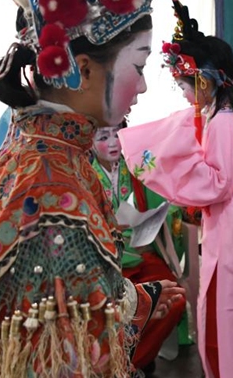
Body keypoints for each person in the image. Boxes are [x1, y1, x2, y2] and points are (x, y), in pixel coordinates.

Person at [0, 0, 217, 374]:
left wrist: (137, 300)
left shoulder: (43, 146)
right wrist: (137, 306)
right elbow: (65, 355)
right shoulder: (51, 183)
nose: (142, 84)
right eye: (137, 66)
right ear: (84, 69)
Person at [119, 1, 233, 378]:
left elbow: (217, 182)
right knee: (232, 320)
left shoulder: (225, 121)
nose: (182, 94)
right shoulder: (223, 112)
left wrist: (169, 161)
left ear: (204, 81)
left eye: (183, 85)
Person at [90, 123, 186, 375]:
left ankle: (136, 359)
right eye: (103, 136)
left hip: (141, 255)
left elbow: (162, 200)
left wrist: (167, 213)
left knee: (174, 297)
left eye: (117, 134)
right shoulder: (84, 175)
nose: (112, 142)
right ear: (89, 141)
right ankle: (122, 363)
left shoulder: (135, 167)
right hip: (105, 265)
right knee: (112, 312)